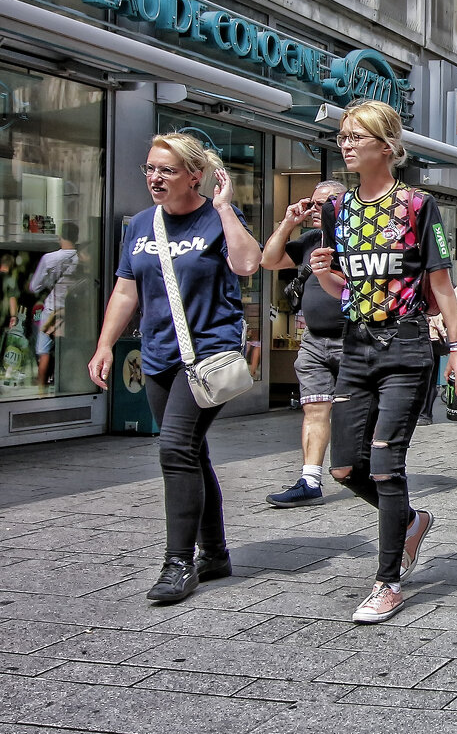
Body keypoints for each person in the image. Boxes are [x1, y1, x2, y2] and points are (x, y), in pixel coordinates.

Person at [308, 100, 457, 624]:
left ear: (387, 145)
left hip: (404, 348)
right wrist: (321, 275)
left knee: (384, 465)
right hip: (353, 347)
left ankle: (387, 581)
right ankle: (410, 520)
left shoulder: (418, 206)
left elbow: (441, 286)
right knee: (342, 467)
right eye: (343, 136)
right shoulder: (338, 210)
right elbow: (346, 286)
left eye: (357, 136)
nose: (346, 143)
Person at [88, 132, 261, 602]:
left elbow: (248, 264)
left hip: (209, 354)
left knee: (175, 448)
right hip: (160, 355)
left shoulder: (215, 217)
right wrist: (105, 345)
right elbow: (127, 290)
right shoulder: (143, 224)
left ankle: (178, 562)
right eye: (149, 168)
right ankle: (217, 553)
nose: (154, 178)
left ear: (195, 176)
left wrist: (225, 208)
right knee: (192, 450)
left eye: (165, 170)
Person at [261, 180, 347, 507]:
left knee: (360, 411)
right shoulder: (309, 240)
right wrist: (288, 222)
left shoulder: (360, 239)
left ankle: (375, 470)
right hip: (313, 340)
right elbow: (268, 260)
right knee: (314, 407)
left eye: (324, 203)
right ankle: (310, 480)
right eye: (313, 203)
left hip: (355, 339)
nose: (316, 210)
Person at [29, 222, 79, 391]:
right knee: (67, 350)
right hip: (71, 312)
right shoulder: (80, 259)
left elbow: (34, 286)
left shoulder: (50, 259)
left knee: (44, 353)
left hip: (51, 311)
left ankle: (41, 391)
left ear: (60, 237)